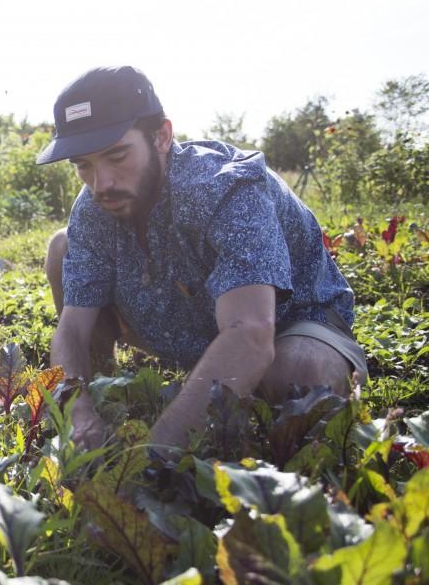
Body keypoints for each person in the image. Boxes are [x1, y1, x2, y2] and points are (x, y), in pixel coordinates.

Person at [36, 66, 367, 452]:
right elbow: (72, 330)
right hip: (190, 323)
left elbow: (252, 332)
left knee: (300, 377)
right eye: (84, 166)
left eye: (117, 155)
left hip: (290, 322)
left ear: (161, 136)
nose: (101, 182)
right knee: (63, 247)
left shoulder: (226, 187)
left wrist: (157, 452)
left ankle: (237, 384)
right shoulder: (95, 202)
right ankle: (110, 385)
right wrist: (77, 413)